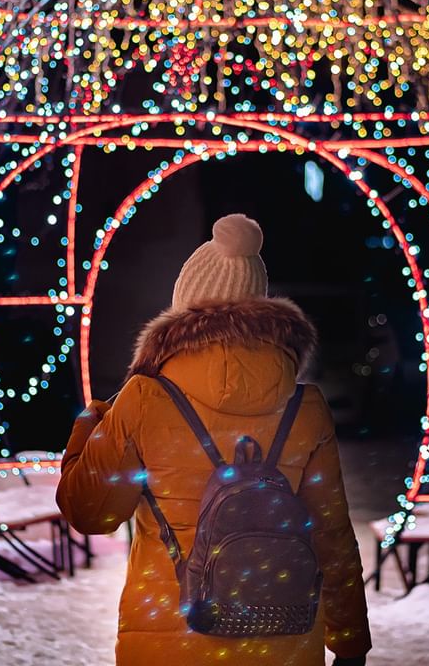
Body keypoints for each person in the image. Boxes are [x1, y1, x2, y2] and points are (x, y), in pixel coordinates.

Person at [57, 214, 372, 665]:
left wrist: (90, 425)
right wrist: (350, 642)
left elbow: (91, 513)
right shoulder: (306, 407)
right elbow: (332, 534)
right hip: (282, 642)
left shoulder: (143, 398)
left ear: (183, 307)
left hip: (170, 641)